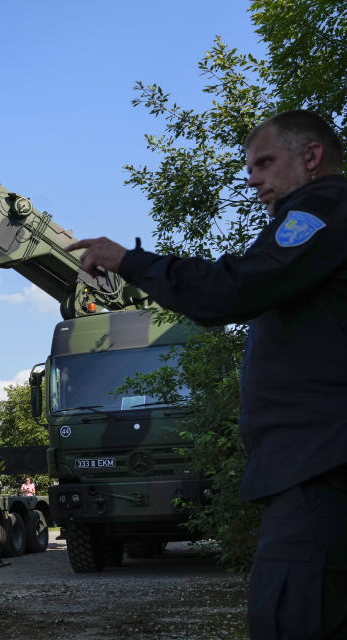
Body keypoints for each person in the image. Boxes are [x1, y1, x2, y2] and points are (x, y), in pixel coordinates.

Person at [66, 109, 346, 639]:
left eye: (265, 162)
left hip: (319, 467)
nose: (253, 178)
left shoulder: (321, 209)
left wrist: (129, 261)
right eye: (249, 165)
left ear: (311, 157)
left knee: (293, 615)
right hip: (319, 464)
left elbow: (229, 290)